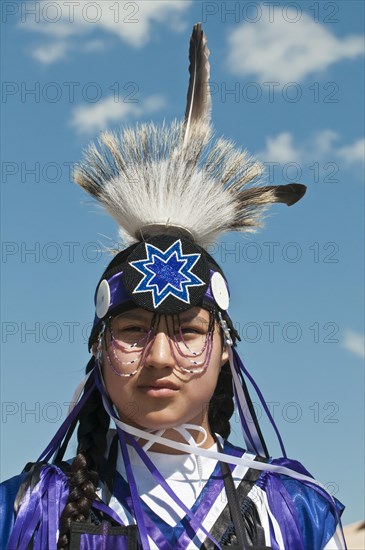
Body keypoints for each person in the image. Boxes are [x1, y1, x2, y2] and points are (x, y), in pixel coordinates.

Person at [0, 24, 345, 550]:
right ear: (97, 348)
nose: (159, 356)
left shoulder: (291, 511)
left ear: (226, 348)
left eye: (188, 331)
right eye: (133, 330)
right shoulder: (27, 513)